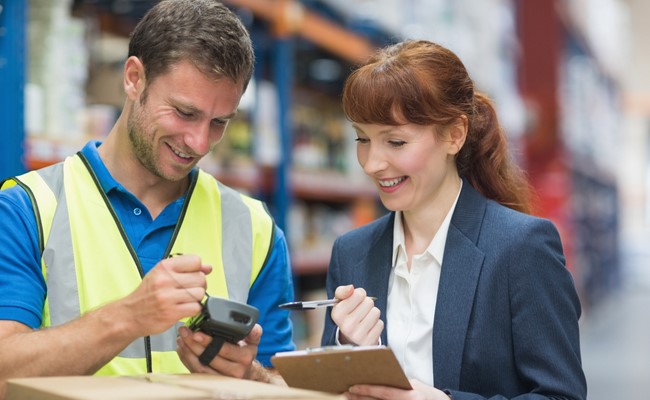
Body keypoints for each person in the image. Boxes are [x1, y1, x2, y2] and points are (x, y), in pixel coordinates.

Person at [0, 0, 294, 397]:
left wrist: (250, 375)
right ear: (135, 78)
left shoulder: (255, 228)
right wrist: (127, 317)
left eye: (219, 122)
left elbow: (286, 384)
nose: (199, 142)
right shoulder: (27, 207)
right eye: (184, 112)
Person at [321, 40, 587, 400]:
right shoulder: (352, 253)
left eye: (395, 142)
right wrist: (346, 347)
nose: (371, 164)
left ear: (454, 135)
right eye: (363, 139)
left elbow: (561, 395)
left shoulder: (520, 248)